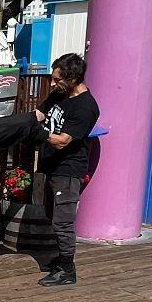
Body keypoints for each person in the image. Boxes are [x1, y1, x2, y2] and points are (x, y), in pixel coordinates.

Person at [37, 51, 99, 289]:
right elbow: (39, 115)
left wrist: (37, 134)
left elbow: (62, 141)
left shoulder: (86, 107)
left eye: (57, 79)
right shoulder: (59, 94)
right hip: (52, 166)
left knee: (63, 221)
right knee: (51, 214)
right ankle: (60, 259)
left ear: (73, 78)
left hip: (69, 169)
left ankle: (67, 270)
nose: (53, 84)